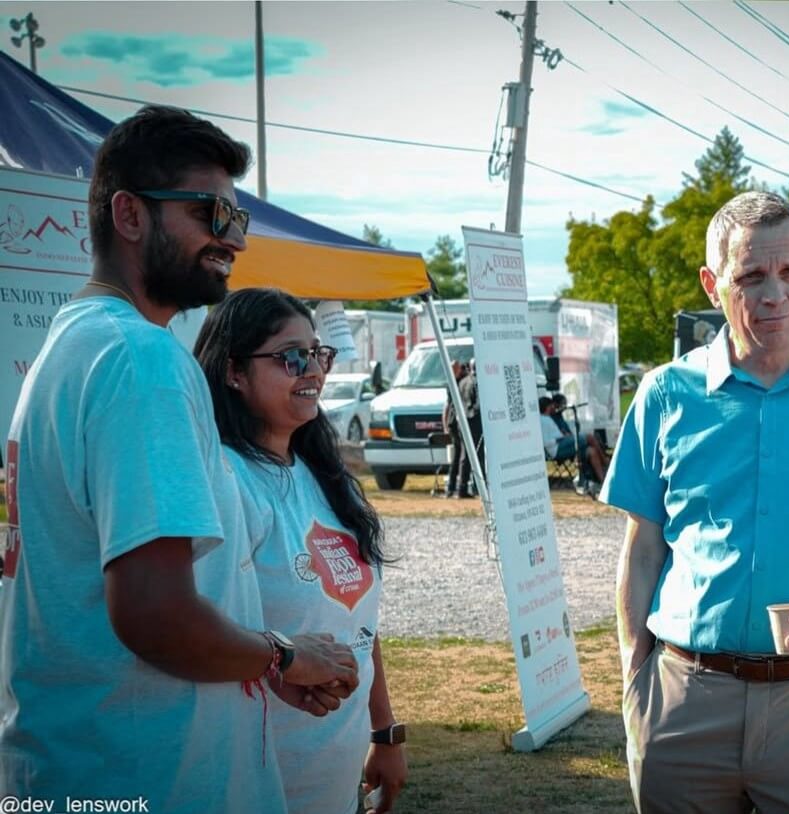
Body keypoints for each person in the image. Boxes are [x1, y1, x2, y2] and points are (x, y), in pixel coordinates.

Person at [0, 105, 358, 810]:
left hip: (90, 766)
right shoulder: (142, 358)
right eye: (210, 214)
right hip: (148, 777)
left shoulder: (71, 346)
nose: (233, 240)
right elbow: (154, 615)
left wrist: (258, 666)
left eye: (237, 219)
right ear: (129, 215)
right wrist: (285, 655)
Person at [601, 191, 789, 814]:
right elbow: (643, 549)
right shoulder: (665, 394)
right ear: (712, 284)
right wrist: (634, 680)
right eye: (751, 276)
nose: (774, 295)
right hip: (683, 701)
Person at [195, 288, 408, 814]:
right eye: (292, 357)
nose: (312, 369)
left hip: (335, 775)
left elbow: (357, 618)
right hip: (255, 776)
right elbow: (191, 629)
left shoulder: (329, 478)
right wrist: (285, 663)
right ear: (233, 372)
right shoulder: (224, 479)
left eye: (319, 354)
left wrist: (384, 731)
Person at [539, 396, 609, 487]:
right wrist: (562, 437)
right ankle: (605, 461)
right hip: (556, 449)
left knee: (591, 451)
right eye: (552, 406)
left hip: (562, 443)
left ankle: (603, 482)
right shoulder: (542, 420)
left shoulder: (549, 418)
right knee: (589, 437)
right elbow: (547, 442)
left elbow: (557, 434)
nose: (554, 408)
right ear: (548, 406)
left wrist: (564, 436)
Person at [455, 357, 484, 497]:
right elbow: (479, 404)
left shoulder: (462, 381)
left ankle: (461, 487)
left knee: (464, 456)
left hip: (462, 421)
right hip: (474, 420)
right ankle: (479, 487)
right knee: (478, 455)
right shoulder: (478, 382)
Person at [443, 359, 468, 498]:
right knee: (460, 455)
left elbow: (447, 406)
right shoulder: (457, 383)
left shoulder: (456, 382)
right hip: (456, 422)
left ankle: (452, 488)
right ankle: (455, 487)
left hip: (454, 421)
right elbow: (448, 405)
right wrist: (445, 423)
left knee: (458, 455)